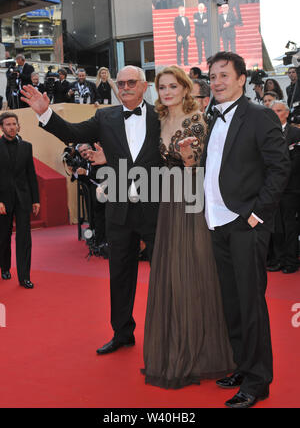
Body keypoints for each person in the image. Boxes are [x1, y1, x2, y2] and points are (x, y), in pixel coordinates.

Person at [20, 65, 162, 353]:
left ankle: (168, 333)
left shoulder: (163, 116)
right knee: (120, 274)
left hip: (156, 208)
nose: (124, 87)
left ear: (145, 86)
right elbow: (72, 132)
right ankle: (122, 332)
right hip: (120, 210)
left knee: (166, 274)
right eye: (119, 83)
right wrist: (44, 113)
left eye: (131, 82)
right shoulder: (105, 116)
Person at [202, 51, 290, 408]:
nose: (217, 82)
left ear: (241, 80)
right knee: (232, 302)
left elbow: (279, 167)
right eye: (212, 76)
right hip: (216, 222)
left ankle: (258, 381)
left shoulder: (259, 116)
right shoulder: (212, 116)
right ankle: (242, 365)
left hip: (244, 224)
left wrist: (257, 216)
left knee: (251, 304)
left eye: (224, 75)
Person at [141, 65, 235, 389]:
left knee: (192, 271)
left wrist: (190, 161)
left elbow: (208, 170)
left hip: (192, 202)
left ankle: (197, 351)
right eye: (161, 87)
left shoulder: (198, 121)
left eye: (172, 87)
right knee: (169, 273)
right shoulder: (160, 120)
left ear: (184, 88)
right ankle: (172, 347)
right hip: (168, 203)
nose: (166, 92)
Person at [0, 112, 40, 288]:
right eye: (7, 124)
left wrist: (36, 199)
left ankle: (24, 277)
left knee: (24, 239)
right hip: (3, 200)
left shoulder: (27, 146)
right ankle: (4, 267)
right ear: (2, 128)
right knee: (3, 237)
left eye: (14, 124)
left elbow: (31, 174)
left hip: (23, 199)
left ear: (18, 126)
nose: (11, 127)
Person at [267, 100, 300, 274]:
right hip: (272, 189)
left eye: (279, 111)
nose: (275, 114)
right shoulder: (267, 133)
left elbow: (295, 162)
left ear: (287, 113)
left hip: (290, 189)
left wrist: (279, 179)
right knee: (276, 227)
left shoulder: (295, 133)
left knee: (290, 227)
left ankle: (291, 261)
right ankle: (278, 259)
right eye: (272, 111)